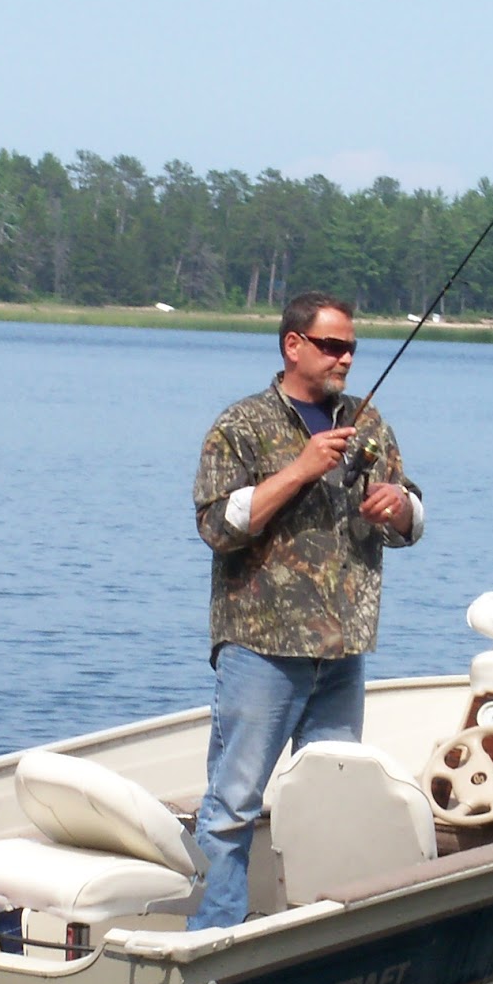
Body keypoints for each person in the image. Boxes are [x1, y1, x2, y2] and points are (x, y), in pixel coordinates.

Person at [189, 291, 424, 927]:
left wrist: (397, 508)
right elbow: (217, 525)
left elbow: (414, 517)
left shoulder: (369, 423)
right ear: (293, 346)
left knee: (334, 802)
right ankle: (213, 937)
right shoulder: (241, 426)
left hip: (343, 653)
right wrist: (297, 471)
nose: (345, 357)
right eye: (332, 346)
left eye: (351, 347)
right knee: (232, 806)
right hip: (260, 651)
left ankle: (321, 934)